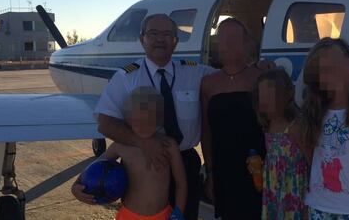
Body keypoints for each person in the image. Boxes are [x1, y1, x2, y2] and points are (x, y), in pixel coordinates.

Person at [73, 14, 215, 220]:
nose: (160, 39)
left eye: (167, 34)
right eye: (153, 33)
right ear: (142, 40)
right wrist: (144, 143)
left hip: (184, 161)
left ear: (175, 41)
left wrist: (257, 70)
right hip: (141, 161)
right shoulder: (127, 77)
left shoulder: (193, 71)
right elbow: (105, 123)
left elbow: (228, 77)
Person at [302, 37, 349, 219]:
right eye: (325, 69)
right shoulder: (314, 112)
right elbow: (312, 162)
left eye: (338, 65)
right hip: (319, 208)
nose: (333, 73)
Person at [201, 18, 267, 219]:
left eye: (234, 38)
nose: (227, 44)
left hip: (258, 167)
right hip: (224, 169)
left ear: (246, 43)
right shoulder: (208, 83)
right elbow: (206, 131)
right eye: (222, 39)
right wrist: (211, 174)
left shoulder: (261, 77)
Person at [90, 86, 187, 220]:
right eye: (138, 119)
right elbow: (96, 165)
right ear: (128, 119)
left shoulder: (169, 146)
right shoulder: (121, 145)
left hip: (163, 216)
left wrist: (178, 212)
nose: (144, 124)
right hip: (129, 216)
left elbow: (181, 184)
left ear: (159, 118)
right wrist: (77, 185)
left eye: (150, 119)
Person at [254, 69, 310, 220]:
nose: (265, 102)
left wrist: (309, 202)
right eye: (262, 97)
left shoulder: (295, 127)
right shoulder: (267, 125)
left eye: (271, 97)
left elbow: (312, 162)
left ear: (286, 96)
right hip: (273, 191)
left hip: (294, 192)